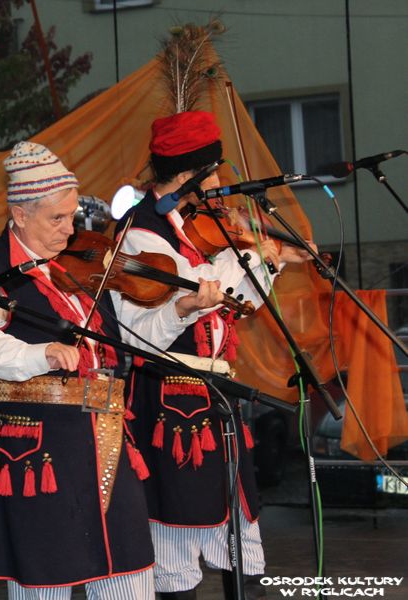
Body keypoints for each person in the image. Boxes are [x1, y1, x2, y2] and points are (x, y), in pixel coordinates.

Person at [0, 141, 224, 599]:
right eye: (56, 219)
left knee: (130, 575)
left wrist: (182, 310)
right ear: (19, 214)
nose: (69, 229)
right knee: (45, 583)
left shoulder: (83, 264)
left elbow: (133, 340)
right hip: (39, 448)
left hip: (109, 439)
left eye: (72, 215)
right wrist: (39, 355)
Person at [114, 110, 312, 599]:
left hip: (215, 396)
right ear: (187, 175)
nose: (220, 184)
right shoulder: (141, 234)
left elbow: (235, 306)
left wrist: (270, 261)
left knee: (238, 528)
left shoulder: (199, 224)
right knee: (177, 532)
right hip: (167, 401)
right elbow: (183, 302)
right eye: (213, 173)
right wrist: (251, 257)